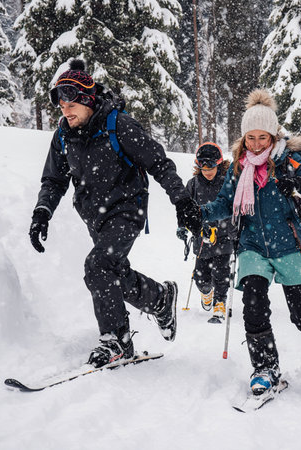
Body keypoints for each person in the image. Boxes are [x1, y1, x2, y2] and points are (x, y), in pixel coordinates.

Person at [179, 89, 301, 400]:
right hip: (253, 247)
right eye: (251, 138)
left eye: (263, 137)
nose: (256, 144)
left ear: (273, 134)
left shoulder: (290, 160)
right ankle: (265, 368)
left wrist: (299, 183)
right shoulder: (238, 167)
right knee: (254, 306)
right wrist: (198, 214)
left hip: (289, 245)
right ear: (244, 137)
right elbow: (224, 203)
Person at [29, 59, 200, 368]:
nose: (65, 110)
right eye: (60, 103)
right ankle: (160, 299)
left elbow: (159, 163)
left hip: (127, 209)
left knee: (97, 265)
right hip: (94, 215)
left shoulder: (118, 125)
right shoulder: (64, 135)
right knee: (113, 272)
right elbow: (54, 180)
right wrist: (43, 211)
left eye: (71, 102)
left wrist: (182, 200)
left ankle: (116, 340)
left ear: (87, 99)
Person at [176, 142, 235, 323]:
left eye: (211, 165)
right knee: (201, 276)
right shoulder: (193, 184)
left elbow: (234, 205)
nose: (207, 170)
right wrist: (182, 226)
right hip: (202, 236)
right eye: (203, 165)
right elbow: (183, 208)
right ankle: (206, 292)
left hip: (224, 234)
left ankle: (220, 303)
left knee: (221, 271)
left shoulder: (227, 182)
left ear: (219, 163)